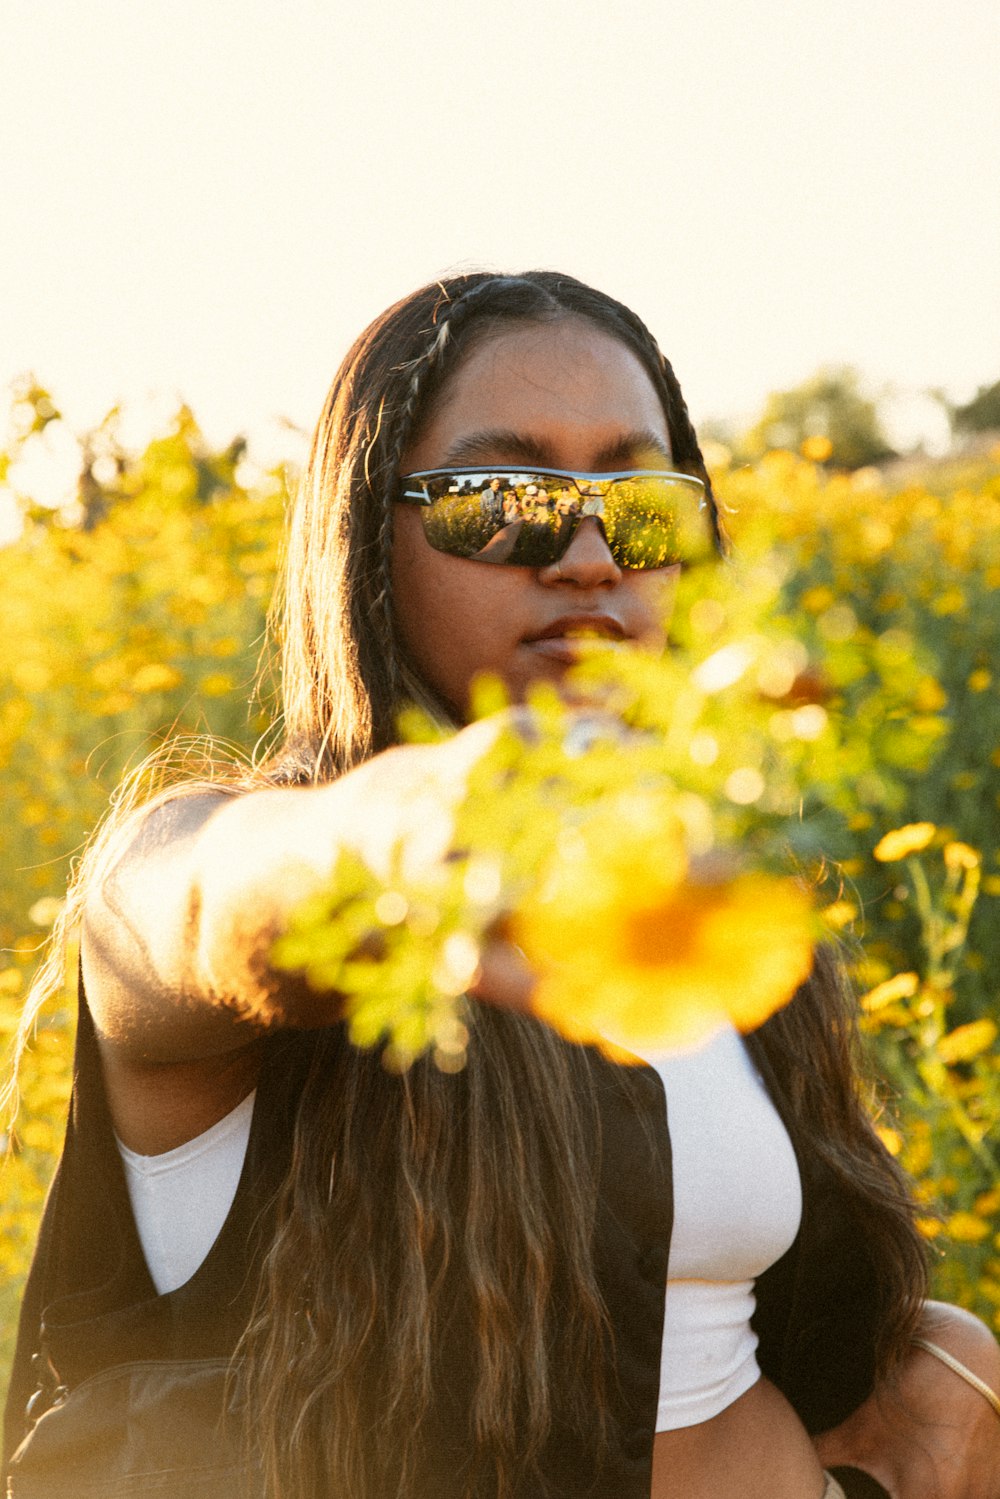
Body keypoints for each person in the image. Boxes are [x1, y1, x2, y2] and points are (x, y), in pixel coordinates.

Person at [4, 270, 1000, 1499]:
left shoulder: (703, 891)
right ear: (369, 535)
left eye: (641, 506)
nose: (588, 556)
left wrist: (938, 1359)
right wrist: (407, 834)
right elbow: (204, 901)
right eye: (500, 501)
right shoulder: (236, 852)